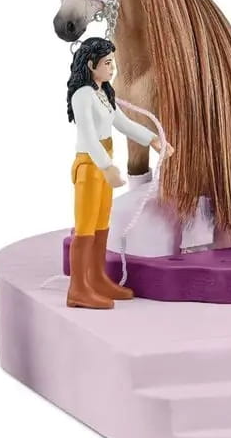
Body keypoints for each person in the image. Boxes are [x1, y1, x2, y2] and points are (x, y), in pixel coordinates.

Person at [66, 37, 173, 308]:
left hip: (103, 166)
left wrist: (152, 139)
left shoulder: (103, 93)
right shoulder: (83, 95)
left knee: (102, 224)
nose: (112, 67)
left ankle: (96, 278)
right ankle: (78, 288)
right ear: (91, 65)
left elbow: (123, 123)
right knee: (85, 227)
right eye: (107, 63)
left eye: (112, 62)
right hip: (90, 167)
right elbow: (88, 136)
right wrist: (106, 167)